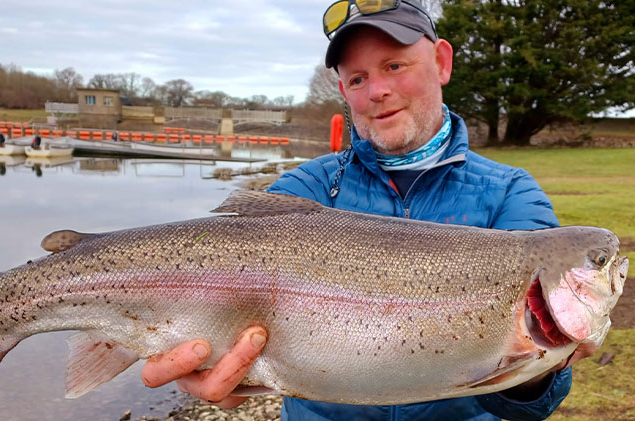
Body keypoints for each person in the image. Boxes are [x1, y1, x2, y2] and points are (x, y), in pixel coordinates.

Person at [141, 2, 596, 419]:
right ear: (343, 90)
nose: (376, 90)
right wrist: (219, 370)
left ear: (441, 61)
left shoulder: (511, 194)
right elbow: (217, 291)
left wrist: (537, 366)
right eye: (357, 79)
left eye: (394, 66)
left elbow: (527, 404)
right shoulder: (306, 189)